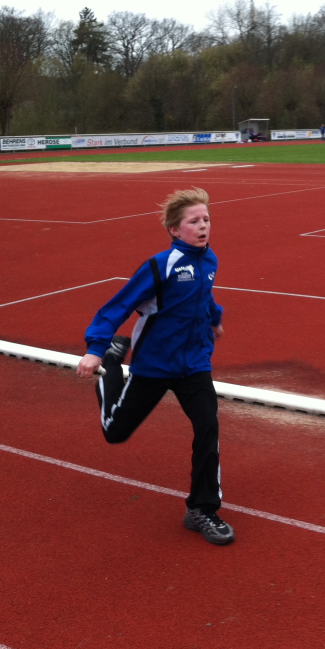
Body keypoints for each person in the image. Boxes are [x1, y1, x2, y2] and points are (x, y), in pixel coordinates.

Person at [76, 188, 234, 546]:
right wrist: (96, 350)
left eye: (206, 219)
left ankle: (202, 508)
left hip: (194, 364)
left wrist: (214, 319)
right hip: (154, 365)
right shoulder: (160, 265)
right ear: (175, 230)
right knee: (115, 432)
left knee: (208, 427)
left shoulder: (209, 260)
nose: (203, 226)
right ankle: (112, 365)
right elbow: (117, 306)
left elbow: (203, 295)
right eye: (194, 221)